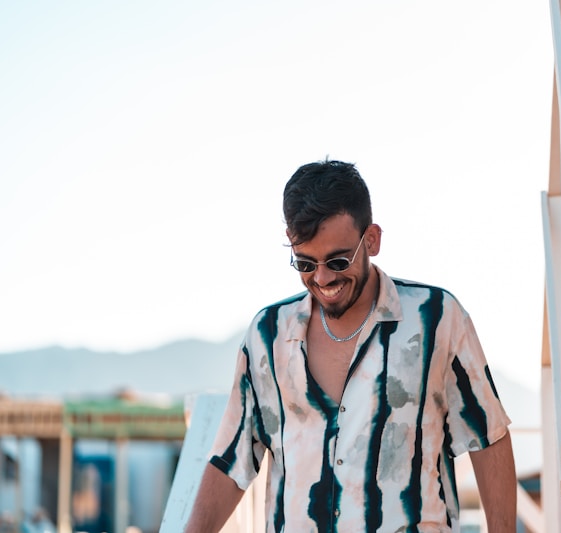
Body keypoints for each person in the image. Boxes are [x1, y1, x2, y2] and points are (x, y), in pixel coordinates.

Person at [185, 160, 517, 532]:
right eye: (305, 263)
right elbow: (231, 461)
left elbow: (489, 437)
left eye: (338, 261)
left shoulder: (437, 318)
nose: (323, 277)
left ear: (372, 239)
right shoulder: (267, 335)